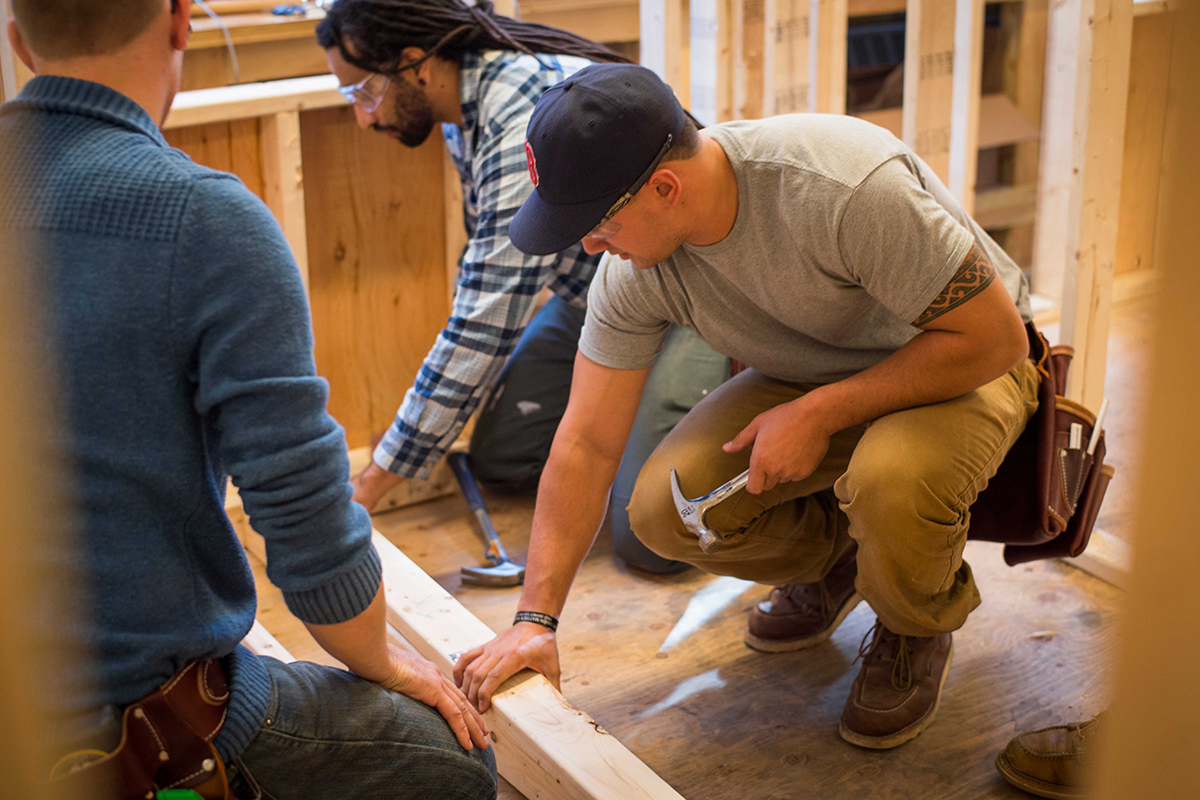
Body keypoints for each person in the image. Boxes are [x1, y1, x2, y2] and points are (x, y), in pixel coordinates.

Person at [453, 63, 1038, 751]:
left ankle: (915, 623)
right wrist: (535, 620)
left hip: (958, 360)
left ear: (665, 188)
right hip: (813, 372)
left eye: (596, 223)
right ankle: (845, 565)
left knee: (891, 480)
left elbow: (996, 339)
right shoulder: (635, 268)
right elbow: (585, 442)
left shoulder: (841, 186)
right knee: (665, 509)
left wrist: (821, 413)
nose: (588, 245)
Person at [1, 1, 495, 797]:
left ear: (19, 38)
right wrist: (385, 661)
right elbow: (304, 526)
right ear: (179, 22)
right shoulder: (203, 220)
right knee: (454, 758)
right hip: (123, 722)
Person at [317, 0, 730, 574]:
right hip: (596, 296)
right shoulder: (470, 104)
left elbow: (480, 327)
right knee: (503, 458)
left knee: (649, 542)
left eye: (362, 91)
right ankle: (640, 442)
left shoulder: (516, 128)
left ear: (416, 64)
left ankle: (725, 381)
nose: (363, 116)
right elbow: (495, 277)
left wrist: (367, 488)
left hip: (684, 306)